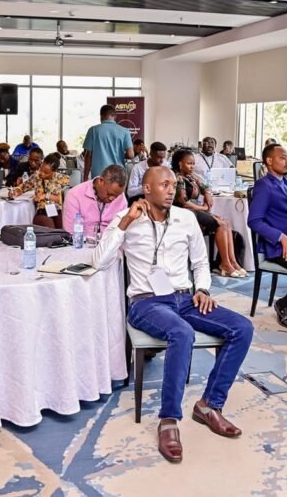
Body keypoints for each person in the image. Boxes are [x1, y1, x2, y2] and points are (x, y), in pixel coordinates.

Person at [93, 166, 253, 463]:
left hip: (185, 298)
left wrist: (202, 289)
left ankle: (209, 405)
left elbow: (200, 262)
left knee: (242, 328)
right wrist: (126, 222)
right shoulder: (127, 217)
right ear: (146, 189)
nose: (171, 190)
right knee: (182, 333)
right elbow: (99, 260)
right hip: (147, 303)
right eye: (164, 184)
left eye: (173, 184)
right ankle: (168, 420)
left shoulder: (186, 218)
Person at [248, 144, 287, 329]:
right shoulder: (264, 186)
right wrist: (280, 237)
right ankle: (284, 303)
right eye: (282, 158)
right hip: (280, 246)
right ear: (269, 161)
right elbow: (254, 221)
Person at [172, 149, 246, 278]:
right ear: (180, 164)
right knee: (220, 224)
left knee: (226, 222)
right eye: (189, 163)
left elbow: (205, 186)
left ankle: (233, 261)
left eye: (193, 163)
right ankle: (225, 264)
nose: (192, 166)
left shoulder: (190, 177)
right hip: (185, 214)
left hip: (195, 212)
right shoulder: (178, 178)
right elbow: (183, 202)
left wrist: (206, 193)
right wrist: (203, 208)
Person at [62, 165, 128, 234]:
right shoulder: (75, 195)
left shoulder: (121, 197)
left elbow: (121, 231)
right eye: (109, 194)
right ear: (101, 181)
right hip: (82, 240)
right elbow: (70, 233)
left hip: (111, 240)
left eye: (116, 196)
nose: (112, 199)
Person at [13, 153, 69, 229]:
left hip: (57, 210)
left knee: (63, 231)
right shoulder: (36, 177)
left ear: (54, 171)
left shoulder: (61, 179)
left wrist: (45, 196)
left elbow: (62, 198)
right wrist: (16, 191)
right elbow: (22, 187)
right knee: (50, 230)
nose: (42, 173)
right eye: (41, 169)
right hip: (42, 211)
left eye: (46, 172)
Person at [83, 104, 134, 181]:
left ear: (101, 116)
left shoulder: (93, 130)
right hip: (118, 174)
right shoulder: (125, 131)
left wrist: (85, 177)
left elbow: (88, 155)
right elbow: (131, 155)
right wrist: (119, 154)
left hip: (99, 175)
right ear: (115, 116)